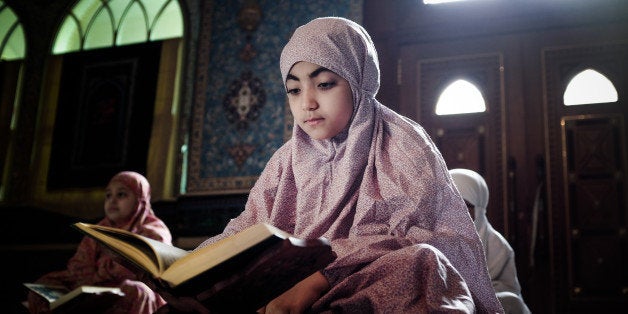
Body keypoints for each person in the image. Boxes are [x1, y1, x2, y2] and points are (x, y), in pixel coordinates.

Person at [156, 17, 502, 313]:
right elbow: (246, 230)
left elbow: (428, 241)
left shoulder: (402, 144)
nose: (307, 102)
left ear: (357, 80)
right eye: (293, 90)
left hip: (353, 284)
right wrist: (182, 267)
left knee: (419, 264)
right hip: (281, 291)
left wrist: (322, 276)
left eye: (324, 84)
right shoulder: (284, 162)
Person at [27, 171, 172, 314]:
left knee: (136, 290)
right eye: (108, 195)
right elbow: (78, 266)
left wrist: (99, 278)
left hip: (131, 291)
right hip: (93, 288)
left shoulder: (154, 232)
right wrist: (89, 284)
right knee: (44, 285)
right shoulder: (98, 230)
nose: (112, 200)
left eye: (121, 194)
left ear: (140, 199)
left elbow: (142, 272)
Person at [449, 168, 531, 314]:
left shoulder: (497, 246)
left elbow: (508, 289)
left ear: (479, 209)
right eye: (452, 203)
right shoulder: (429, 238)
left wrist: (472, 294)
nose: (459, 210)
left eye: (467, 205)